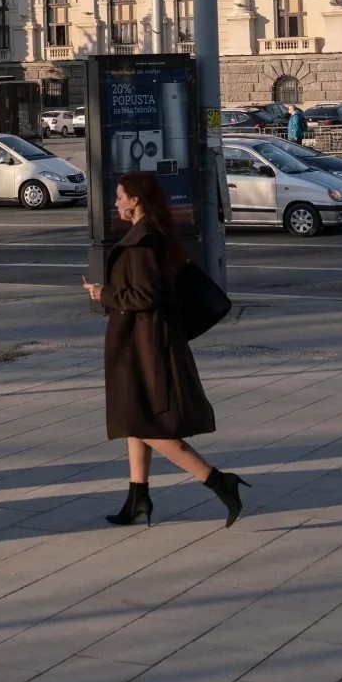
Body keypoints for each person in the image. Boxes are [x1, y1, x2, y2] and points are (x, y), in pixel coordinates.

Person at [82, 171, 245, 528]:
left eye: (120, 196)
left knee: (152, 426)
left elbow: (146, 295)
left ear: (136, 200)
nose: (116, 202)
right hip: (142, 343)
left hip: (146, 346)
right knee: (133, 421)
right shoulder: (151, 236)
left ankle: (218, 481)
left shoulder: (143, 243)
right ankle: (137, 498)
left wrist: (103, 294)